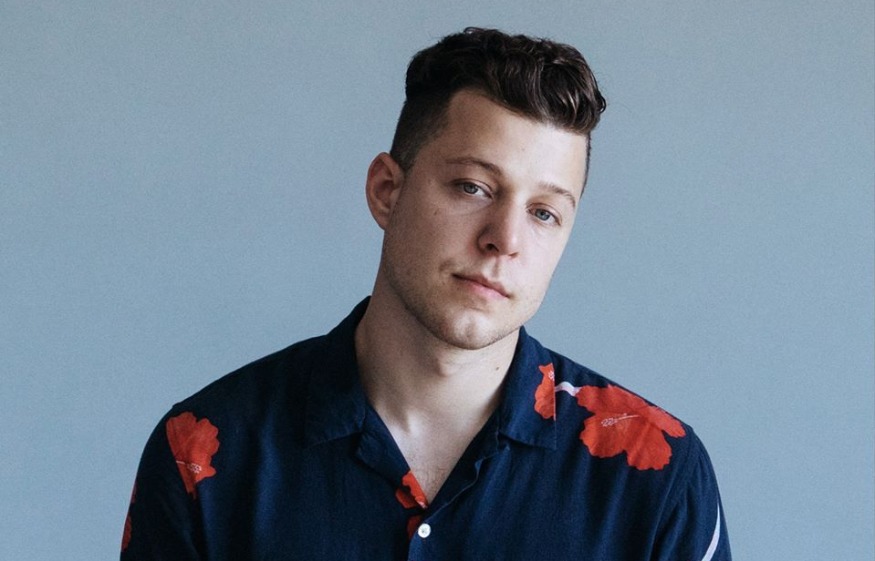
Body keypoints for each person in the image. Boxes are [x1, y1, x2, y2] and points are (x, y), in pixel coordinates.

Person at [121, 27, 731, 560]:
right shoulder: (205, 452)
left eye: (544, 213)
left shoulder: (656, 475)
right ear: (387, 191)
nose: (505, 240)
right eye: (473, 187)